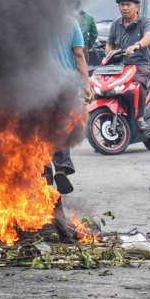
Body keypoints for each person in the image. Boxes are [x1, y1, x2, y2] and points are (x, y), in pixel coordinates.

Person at [46, 16, 91, 195]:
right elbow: (79, 55)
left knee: (40, 130)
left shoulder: (35, 21)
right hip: (66, 83)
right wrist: (86, 84)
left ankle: (45, 173)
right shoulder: (71, 22)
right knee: (63, 126)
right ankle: (62, 168)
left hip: (38, 84)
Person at [106, 0, 150, 131]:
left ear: (137, 6)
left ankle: (140, 117)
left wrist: (136, 45)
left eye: (128, 4)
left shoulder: (145, 21)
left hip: (141, 65)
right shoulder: (116, 24)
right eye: (122, 5)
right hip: (121, 67)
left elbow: (149, 36)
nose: (125, 8)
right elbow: (109, 45)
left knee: (137, 84)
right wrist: (109, 55)